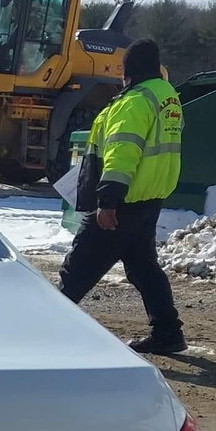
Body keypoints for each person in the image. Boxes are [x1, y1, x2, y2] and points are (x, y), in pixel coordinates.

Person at [59, 38, 187, 355]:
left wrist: (107, 200)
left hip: (124, 201)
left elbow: (122, 153)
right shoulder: (167, 98)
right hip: (149, 198)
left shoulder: (133, 102)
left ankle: (46, 331)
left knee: (77, 269)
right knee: (143, 267)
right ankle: (167, 332)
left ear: (126, 71)